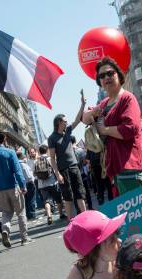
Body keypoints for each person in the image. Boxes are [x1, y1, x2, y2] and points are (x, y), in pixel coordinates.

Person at [82, 58, 142, 195]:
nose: (106, 78)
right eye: (102, 76)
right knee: (130, 215)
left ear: (118, 74)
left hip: (134, 166)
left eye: (110, 73)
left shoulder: (127, 98)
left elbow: (130, 129)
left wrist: (104, 130)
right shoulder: (103, 104)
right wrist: (93, 112)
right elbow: (84, 119)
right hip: (116, 167)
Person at [0, 130, 32, 247]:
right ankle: (24, 238)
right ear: (4, 139)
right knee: (20, 212)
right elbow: (17, 171)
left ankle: (5, 230)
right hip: (12, 186)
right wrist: (23, 185)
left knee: (6, 213)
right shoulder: (10, 152)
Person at [48, 91, 87, 221]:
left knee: (80, 193)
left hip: (74, 167)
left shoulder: (68, 131)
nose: (66, 122)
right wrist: (57, 173)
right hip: (63, 170)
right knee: (68, 196)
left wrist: (82, 104)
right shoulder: (52, 138)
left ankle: (86, 217)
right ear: (59, 122)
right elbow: (52, 158)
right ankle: (71, 222)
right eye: (64, 121)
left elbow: (77, 120)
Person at [35, 144, 64, 225]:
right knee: (58, 199)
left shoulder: (36, 161)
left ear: (39, 152)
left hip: (42, 184)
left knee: (46, 201)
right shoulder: (50, 159)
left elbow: (34, 174)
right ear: (47, 150)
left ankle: (49, 215)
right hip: (52, 182)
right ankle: (61, 214)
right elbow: (55, 170)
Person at [17, 150, 37, 220]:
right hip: (29, 183)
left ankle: (28, 214)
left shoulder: (16, 164)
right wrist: (32, 181)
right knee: (31, 199)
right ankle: (32, 214)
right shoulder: (23, 164)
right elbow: (28, 175)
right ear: (21, 156)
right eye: (23, 154)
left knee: (25, 200)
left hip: (21, 184)